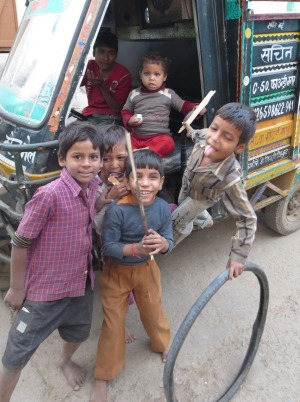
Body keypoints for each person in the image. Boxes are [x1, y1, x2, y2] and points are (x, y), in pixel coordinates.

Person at [0, 122, 104, 402]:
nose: (86, 164)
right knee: (16, 353)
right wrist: (18, 287)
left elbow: (92, 208)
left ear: (101, 160)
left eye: (93, 157)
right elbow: (21, 241)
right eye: (77, 157)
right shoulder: (49, 195)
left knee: (79, 331)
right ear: (62, 159)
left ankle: (64, 360)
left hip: (80, 282)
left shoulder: (95, 185)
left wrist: (109, 199)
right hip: (43, 292)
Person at [90, 149, 173, 402]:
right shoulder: (117, 210)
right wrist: (135, 248)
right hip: (117, 273)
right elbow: (108, 247)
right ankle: (103, 375)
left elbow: (169, 240)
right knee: (113, 323)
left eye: (153, 177)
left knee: (153, 311)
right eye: (138, 176)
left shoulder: (161, 209)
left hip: (147, 270)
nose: (145, 183)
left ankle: (163, 344)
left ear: (161, 182)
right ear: (127, 181)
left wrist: (162, 244)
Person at [172, 103, 257, 280]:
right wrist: (189, 128)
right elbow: (197, 135)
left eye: (227, 137)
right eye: (214, 128)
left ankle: (169, 241)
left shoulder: (230, 176)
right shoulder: (205, 136)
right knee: (182, 202)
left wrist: (238, 256)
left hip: (201, 199)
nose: (214, 139)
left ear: (239, 147)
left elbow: (247, 217)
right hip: (187, 184)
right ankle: (204, 220)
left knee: (177, 220)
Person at [94, 124, 136, 344]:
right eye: (106, 158)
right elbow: (98, 225)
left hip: (131, 243)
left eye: (121, 158)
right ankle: (117, 323)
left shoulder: (132, 176)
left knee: (131, 284)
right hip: (110, 247)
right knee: (116, 289)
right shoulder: (96, 185)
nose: (114, 165)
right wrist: (109, 197)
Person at [121, 51, 205, 157]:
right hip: (136, 138)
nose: (151, 78)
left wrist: (195, 108)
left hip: (158, 138)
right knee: (122, 142)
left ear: (164, 76)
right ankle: (143, 154)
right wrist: (129, 120)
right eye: (147, 73)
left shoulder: (168, 94)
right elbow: (125, 111)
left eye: (157, 74)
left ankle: (144, 154)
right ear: (140, 75)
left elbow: (184, 106)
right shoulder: (134, 94)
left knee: (168, 143)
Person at [81, 31, 132, 126]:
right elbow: (70, 85)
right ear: (93, 52)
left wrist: (102, 87)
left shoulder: (123, 75)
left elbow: (117, 109)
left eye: (111, 53)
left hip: (111, 117)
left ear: (116, 55)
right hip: (89, 115)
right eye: (101, 52)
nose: (106, 58)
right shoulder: (89, 66)